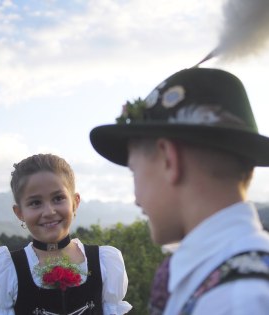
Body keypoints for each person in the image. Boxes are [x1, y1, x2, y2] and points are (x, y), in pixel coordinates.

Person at [89, 67, 269, 314]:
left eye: (134, 172)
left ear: (168, 160)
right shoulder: (229, 274)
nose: (136, 199)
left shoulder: (235, 300)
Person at [0, 153, 132, 315]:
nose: (49, 211)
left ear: (75, 202)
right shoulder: (8, 270)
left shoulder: (104, 262)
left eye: (58, 198)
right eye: (35, 203)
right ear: (19, 213)